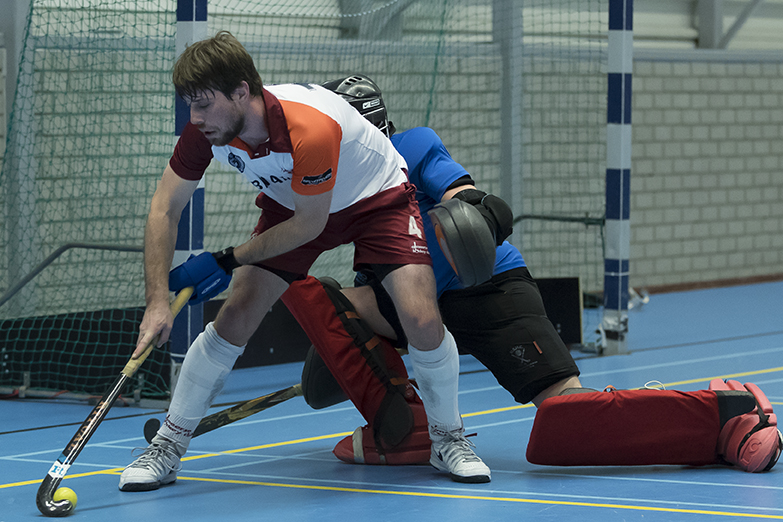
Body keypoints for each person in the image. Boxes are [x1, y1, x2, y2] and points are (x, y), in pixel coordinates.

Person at [281, 75, 782, 473]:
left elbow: (462, 194)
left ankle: (725, 416)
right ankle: (407, 428)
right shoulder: (331, 186)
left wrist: (472, 209)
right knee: (315, 294)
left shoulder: (410, 149)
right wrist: (339, 349)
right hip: (412, 305)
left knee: (567, 417)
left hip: (488, 291)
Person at [119, 32, 491, 491]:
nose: (194, 118)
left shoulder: (308, 128)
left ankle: (447, 437)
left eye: (203, 104)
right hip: (295, 203)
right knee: (235, 315)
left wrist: (224, 260)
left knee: (421, 317)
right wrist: (157, 301)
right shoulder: (207, 131)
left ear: (241, 92)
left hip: (375, 199)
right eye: (189, 105)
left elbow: (309, 228)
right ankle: (168, 445)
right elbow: (164, 207)